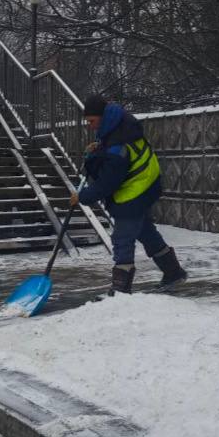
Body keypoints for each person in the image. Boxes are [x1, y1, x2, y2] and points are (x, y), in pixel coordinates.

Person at [71, 95, 188, 295]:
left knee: (122, 238)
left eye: (91, 121)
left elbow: (108, 181)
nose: (90, 126)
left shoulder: (119, 143)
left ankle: (120, 291)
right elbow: (112, 156)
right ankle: (174, 272)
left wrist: (82, 197)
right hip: (143, 187)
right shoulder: (118, 128)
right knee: (146, 233)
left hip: (135, 191)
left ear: (102, 117)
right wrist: (98, 149)